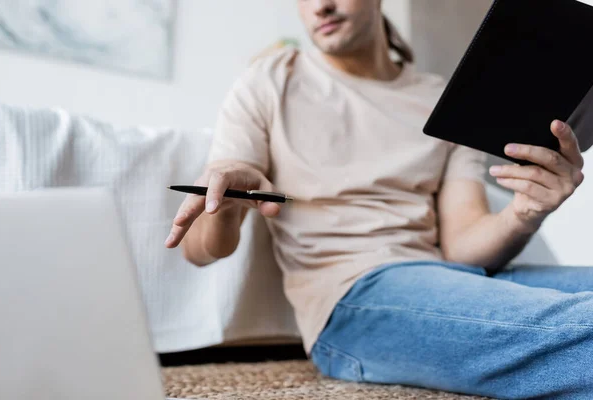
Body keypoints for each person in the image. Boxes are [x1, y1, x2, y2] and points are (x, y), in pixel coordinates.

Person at [165, 0, 591, 398]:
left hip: (452, 277)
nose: (320, 6)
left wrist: (524, 212)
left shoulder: (439, 99)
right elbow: (200, 253)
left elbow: (463, 247)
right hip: (353, 297)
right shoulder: (269, 81)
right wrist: (226, 199)